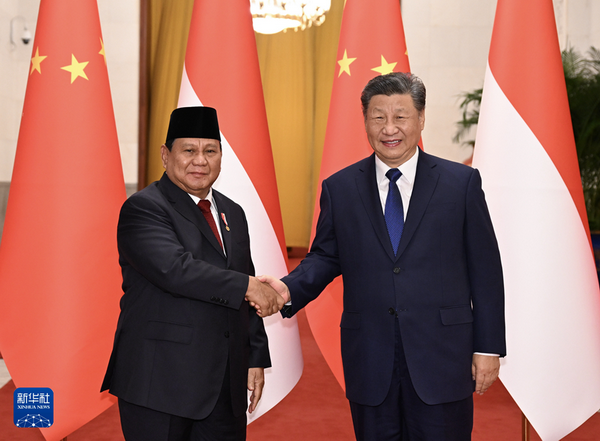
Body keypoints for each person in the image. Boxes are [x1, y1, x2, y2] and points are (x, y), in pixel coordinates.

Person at [260, 72, 506, 440]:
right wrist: (287, 289)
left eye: (400, 116)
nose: (389, 128)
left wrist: (488, 347)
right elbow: (326, 256)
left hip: (442, 356)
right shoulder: (340, 188)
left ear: (421, 119)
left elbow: (485, 271)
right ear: (365, 122)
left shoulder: (460, 184)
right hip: (370, 358)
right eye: (378, 117)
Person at [101, 106, 284, 441]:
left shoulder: (233, 212)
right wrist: (247, 286)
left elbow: (249, 282)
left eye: (210, 151)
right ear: (165, 155)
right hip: (160, 384)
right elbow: (176, 270)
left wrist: (254, 357)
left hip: (223, 387)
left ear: (221, 157)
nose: (200, 161)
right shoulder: (144, 208)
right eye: (189, 150)